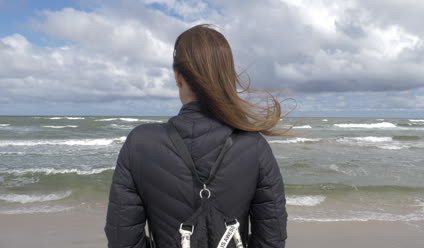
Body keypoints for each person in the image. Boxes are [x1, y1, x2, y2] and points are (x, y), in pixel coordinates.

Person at [104, 24, 304, 248]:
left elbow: (123, 240)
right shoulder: (255, 146)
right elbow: (271, 239)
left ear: (178, 77)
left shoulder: (140, 143)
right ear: (227, 77)